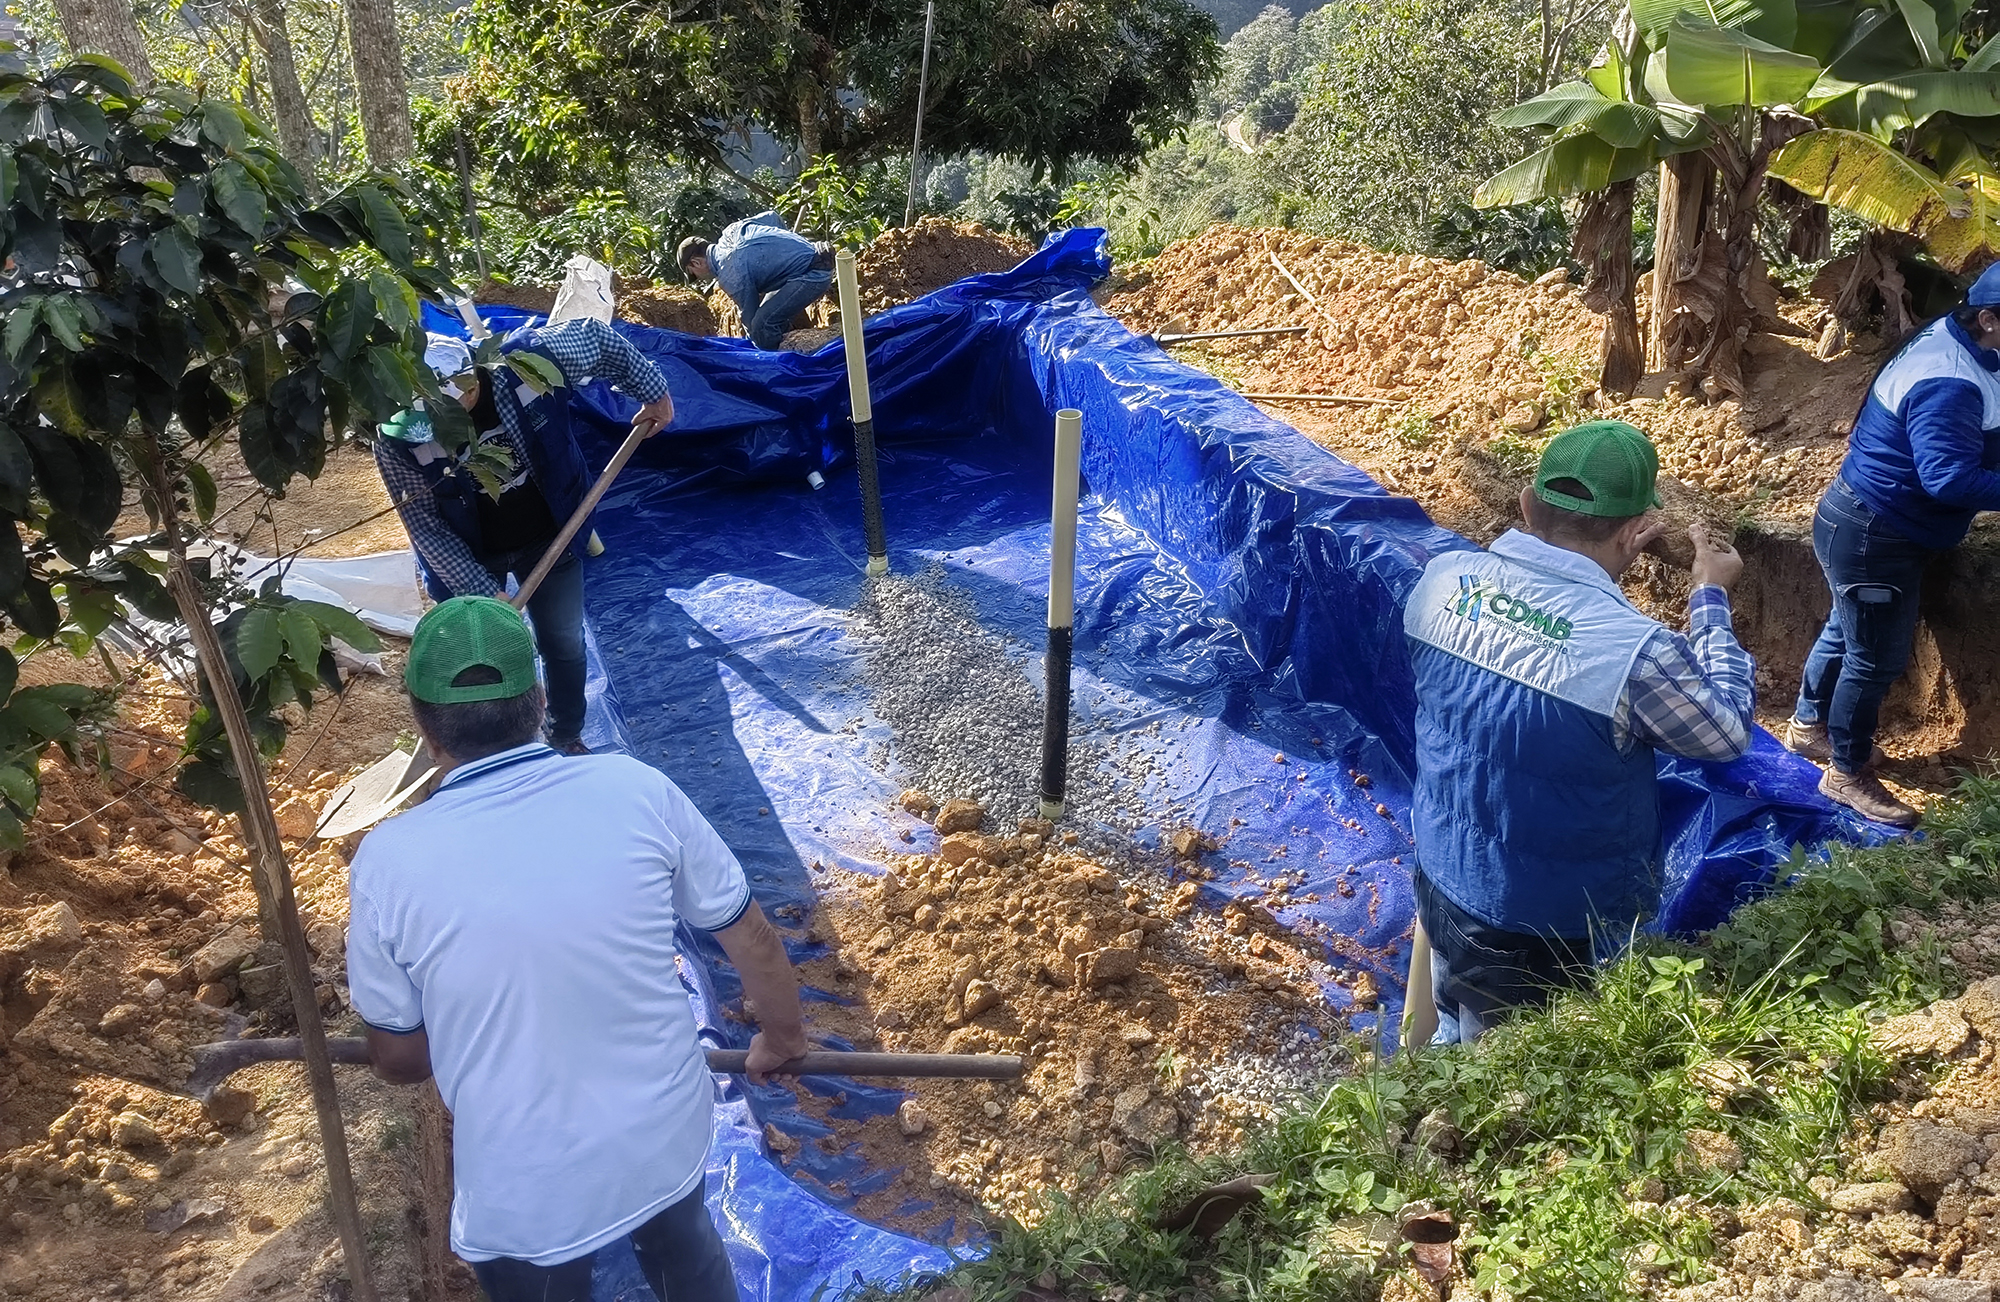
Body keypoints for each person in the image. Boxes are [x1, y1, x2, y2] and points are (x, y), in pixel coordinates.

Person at [346, 596, 808, 1302]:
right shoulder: (635, 788)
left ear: (422, 726)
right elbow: (749, 935)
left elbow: (402, 1061)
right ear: (538, 701)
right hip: (663, 1137)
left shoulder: (387, 861)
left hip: (522, 1188)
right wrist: (781, 1037)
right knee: (683, 1248)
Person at [1403, 421, 1755, 1044]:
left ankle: (1423, 1074)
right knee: (1500, 1072)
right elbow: (1724, 735)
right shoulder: (1636, 654)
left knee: (1449, 1010)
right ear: (1632, 532)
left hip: (1441, 861)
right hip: (1545, 917)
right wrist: (1708, 599)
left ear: (1525, 506)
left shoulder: (1440, 581)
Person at [375, 320, 675, 754]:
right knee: (480, 660)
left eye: (453, 407)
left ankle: (565, 736)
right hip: (467, 550)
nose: (442, 424)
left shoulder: (527, 362)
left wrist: (655, 393)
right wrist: (481, 592)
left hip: (550, 530)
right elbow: (425, 526)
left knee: (564, 643)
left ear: (472, 378)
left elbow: (597, 337)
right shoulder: (397, 435)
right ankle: (492, 753)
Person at [1782, 265, 2000, 827]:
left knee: (1846, 628)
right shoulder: (1949, 384)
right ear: (1989, 319)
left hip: (1859, 520)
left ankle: (1809, 728)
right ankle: (1847, 774)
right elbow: (1948, 479)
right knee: (1873, 658)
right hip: (1878, 534)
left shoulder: (1957, 338)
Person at [677, 213, 835, 350]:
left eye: (694, 274)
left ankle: (782, 370)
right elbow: (773, 217)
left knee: (762, 327)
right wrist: (785, 253)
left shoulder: (729, 275)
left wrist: (753, 348)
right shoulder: (733, 229)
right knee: (768, 309)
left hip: (814, 274)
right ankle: (787, 335)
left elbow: (750, 320)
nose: (698, 278)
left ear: (696, 263)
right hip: (819, 251)